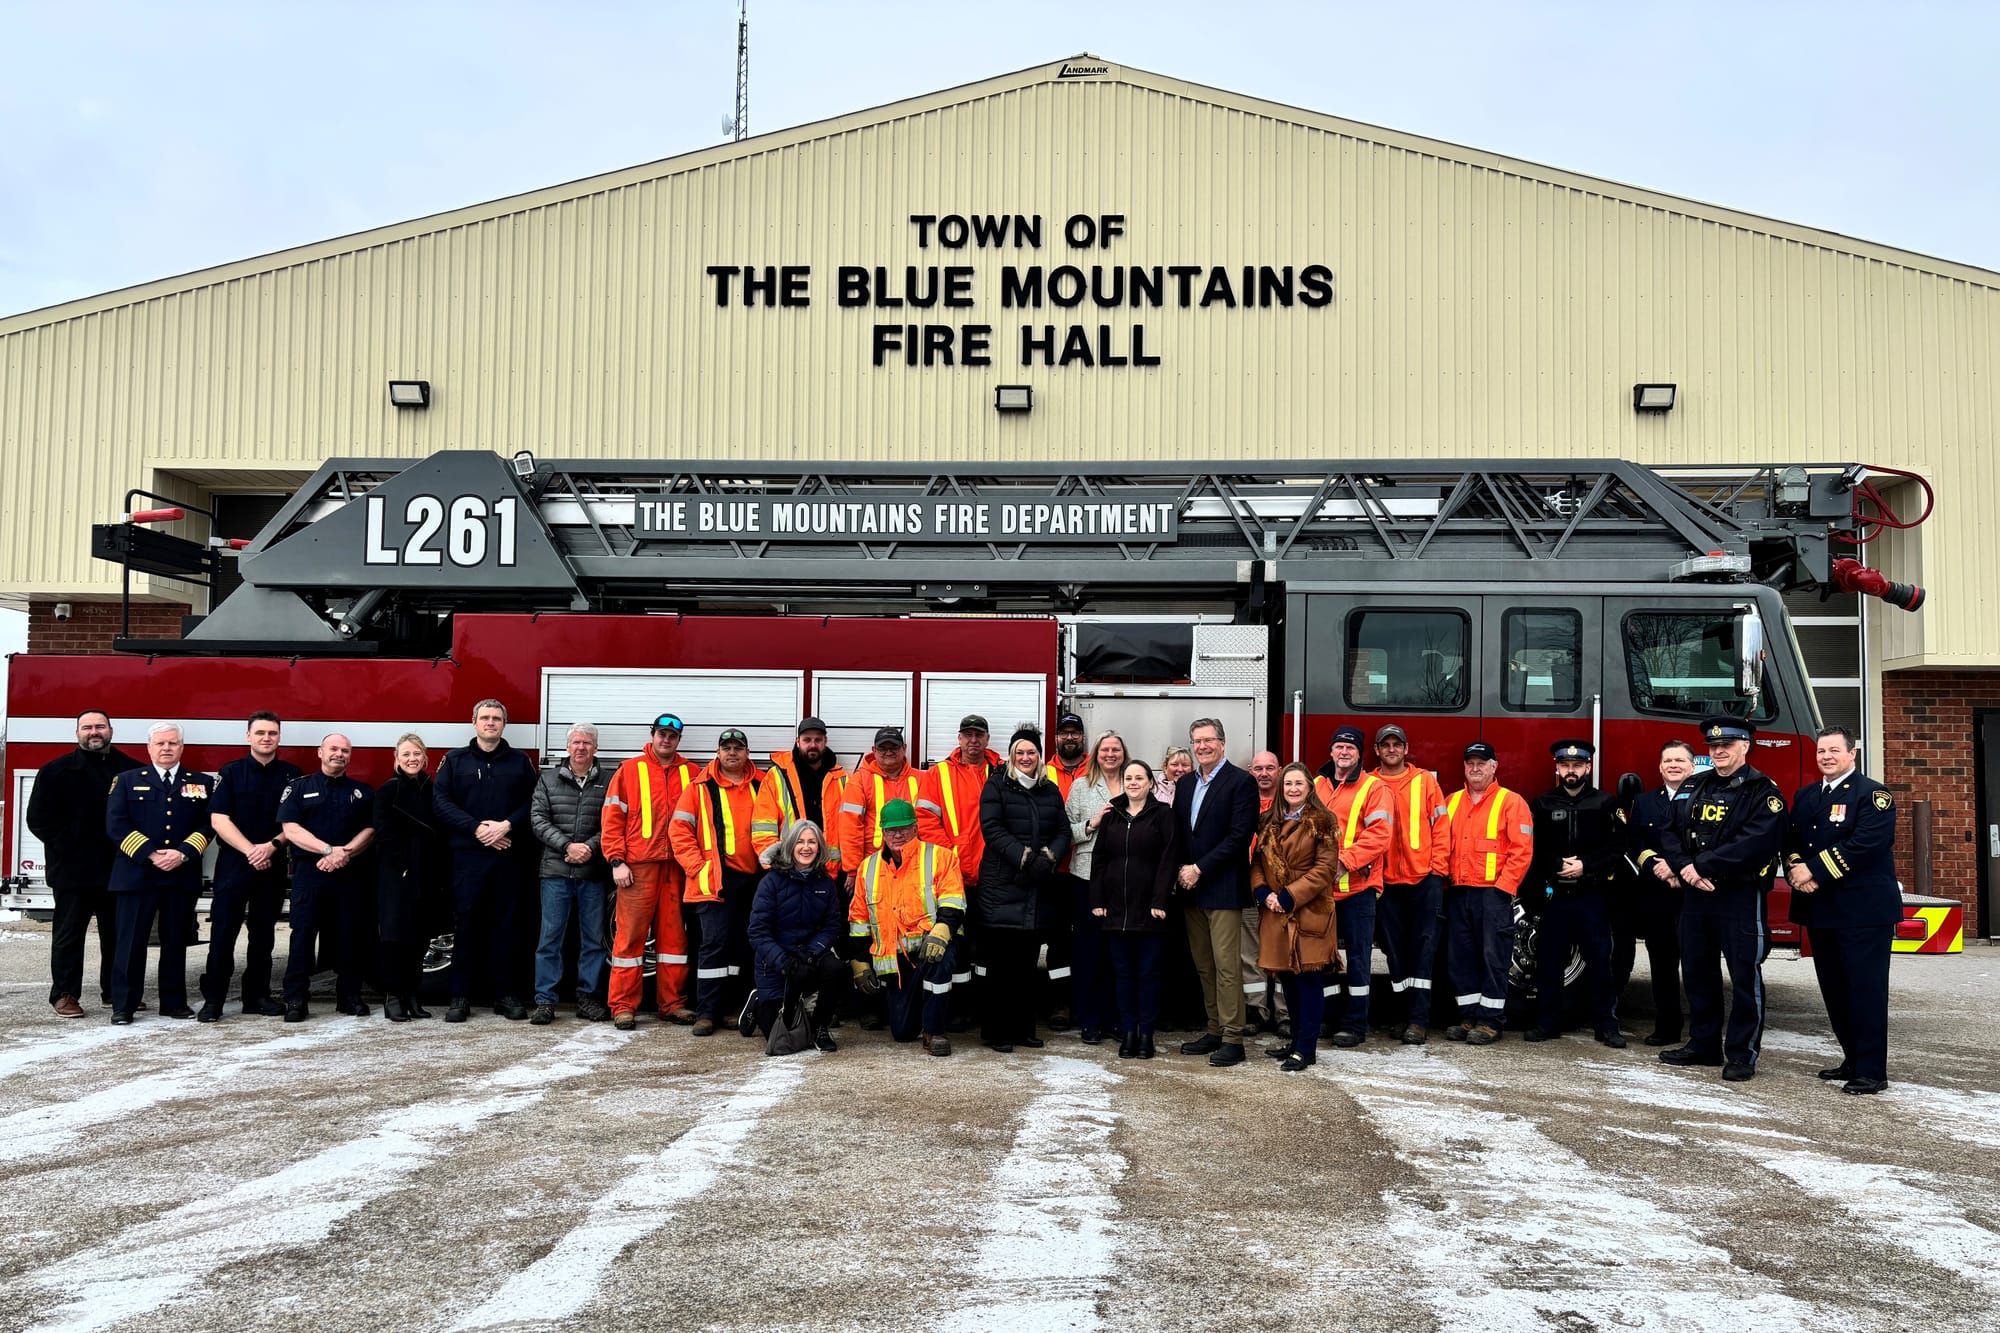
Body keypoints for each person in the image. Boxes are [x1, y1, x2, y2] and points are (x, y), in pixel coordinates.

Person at [1657, 716, 1788, 1083]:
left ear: (1745, 746)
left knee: (1745, 976)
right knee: (1698, 972)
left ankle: (1742, 1054)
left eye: (1727, 745)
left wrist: (1700, 866)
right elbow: (1669, 831)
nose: (1718, 751)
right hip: (1697, 895)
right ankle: (1704, 1044)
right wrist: (1686, 868)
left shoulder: (1763, 791)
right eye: (1713, 746)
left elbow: (1755, 842)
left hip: (1738, 896)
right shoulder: (1694, 785)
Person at [1785, 726, 1899, 1095]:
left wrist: (1813, 871)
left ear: (1852, 755)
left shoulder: (1873, 795)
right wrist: (1797, 869)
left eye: (1834, 750)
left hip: (1863, 911)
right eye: (1821, 751)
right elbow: (1790, 840)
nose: (1826, 757)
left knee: (1864, 990)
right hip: (1822, 909)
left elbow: (1867, 844)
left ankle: (1871, 1070)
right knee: (1835, 990)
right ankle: (1851, 1058)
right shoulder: (1806, 796)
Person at [26, 709, 142, 1018]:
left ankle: (116, 992)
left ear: (111, 730)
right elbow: (38, 820)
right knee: (69, 936)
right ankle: (64, 995)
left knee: (117, 935)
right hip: (72, 870)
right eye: (87, 727)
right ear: (77, 733)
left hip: (118, 869)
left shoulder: (131, 771)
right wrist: (70, 849)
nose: (94, 732)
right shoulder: (55, 772)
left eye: (100, 726)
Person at [432, 699, 538, 1023]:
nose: (490, 723)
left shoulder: (520, 762)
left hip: (507, 856)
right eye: (485, 718)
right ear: (474, 722)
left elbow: (533, 803)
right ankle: (460, 997)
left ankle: (505, 995)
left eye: (496, 718)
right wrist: (475, 828)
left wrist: (507, 825)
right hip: (468, 858)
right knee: (467, 926)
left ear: (504, 725)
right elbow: (440, 802)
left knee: (507, 927)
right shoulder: (454, 761)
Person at [103, 722, 213, 1023]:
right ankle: (123, 1005)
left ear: (182, 747)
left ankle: (174, 1002)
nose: (167, 748)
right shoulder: (126, 780)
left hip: (180, 872)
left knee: (176, 941)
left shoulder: (201, 783)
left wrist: (183, 853)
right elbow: (116, 824)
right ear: (149, 747)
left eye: (173, 743)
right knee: (130, 943)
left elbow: (207, 825)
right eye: (161, 743)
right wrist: (150, 853)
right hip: (136, 873)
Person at [197, 711, 302, 1022]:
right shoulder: (230, 773)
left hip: (272, 861)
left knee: (263, 935)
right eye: (260, 733)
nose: (266, 738)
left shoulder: (291, 775)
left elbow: (295, 822)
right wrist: (251, 851)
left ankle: (256, 997)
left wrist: (271, 847)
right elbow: (219, 819)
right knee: (223, 933)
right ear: (248, 737)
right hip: (235, 864)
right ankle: (213, 1000)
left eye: (272, 733)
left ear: (279, 737)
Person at [1523, 740, 1628, 1048]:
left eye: (1577, 765)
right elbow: (1532, 846)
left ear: (1588, 767)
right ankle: (1547, 1022)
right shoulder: (1541, 804)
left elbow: (1618, 846)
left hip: (1591, 894)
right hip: (1555, 896)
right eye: (1565, 765)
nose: (1571, 770)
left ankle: (1607, 1026)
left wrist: (1585, 865)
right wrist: (1556, 865)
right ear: (1557, 768)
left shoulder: (1606, 803)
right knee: (1549, 962)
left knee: (1599, 962)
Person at [976, 726, 1071, 1052]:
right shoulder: (997, 785)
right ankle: (997, 1031)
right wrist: (1025, 858)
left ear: (1039, 756)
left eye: (1031, 752)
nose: (1026, 757)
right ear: (1012, 756)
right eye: (1020, 752)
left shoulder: (1050, 789)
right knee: (1001, 965)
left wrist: (1049, 857)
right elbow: (992, 829)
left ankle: (1023, 1029)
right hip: (1004, 887)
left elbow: (1062, 829)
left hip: (1036, 889)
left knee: (1028, 965)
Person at [1172, 716, 1260, 1067]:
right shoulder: (1185, 786)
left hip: (1221, 887)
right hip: (1191, 889)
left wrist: (1199, 868)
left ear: (1222, 743)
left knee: (1227, 967)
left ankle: (1233, 1038)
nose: (1202, 747)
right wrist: (1182, 870)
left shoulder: (1241, 783)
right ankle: (1214, 1029)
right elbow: (1180, 834)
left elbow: (1240, 838)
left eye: (1209, 740)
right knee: (1204, 966)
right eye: (1197, 741)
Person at [847, 799, 966, 1056]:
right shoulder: (868, 867)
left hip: (931, 945)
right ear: (883, 831)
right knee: (901, 1033)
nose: (898, 835)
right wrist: (859, 961)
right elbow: (858, 918)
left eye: (904, 828)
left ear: (916, 827)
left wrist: (942, 931)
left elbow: (953, 900)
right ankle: (918, 1019)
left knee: (938, 960)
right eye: (891, 830)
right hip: (896, 960)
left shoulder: (940, 857)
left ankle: (934, 1033)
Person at [602, 712, 697, 1030]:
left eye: (672, 736)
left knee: (674, 940)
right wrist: (616, 860)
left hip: (677, 868)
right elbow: (612, 817)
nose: (666, 740)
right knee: (630, 940)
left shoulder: (692, 773)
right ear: (652, 735)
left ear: (678, 740)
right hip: (637, 868)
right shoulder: (630, 770)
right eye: (661, 734)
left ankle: (672, 1004)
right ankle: (623, 1006)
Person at [671, 726, 764, 1035]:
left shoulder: (763, 785)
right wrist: (697, 868)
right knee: (713, 947)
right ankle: (707, 1012)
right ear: (718, 752)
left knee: (744, 947)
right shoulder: (699, 786)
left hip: (754, 880)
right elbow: (679, 830)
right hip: (715, 881)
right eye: (727, 748)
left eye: (738, 748)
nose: (732, 752)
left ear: (747, 753)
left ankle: (735, 1008)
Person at [277, 733, 375, 1021]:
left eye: (345, 750)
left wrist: (344, 854)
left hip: (348, 871)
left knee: (349, 937)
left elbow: (370, 830)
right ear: (320, 752)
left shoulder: (362, 792)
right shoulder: (298, 788)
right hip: (309, 872)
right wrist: (328, 851)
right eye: (333, 749)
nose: (339, 754)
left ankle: (349, 996)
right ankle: (295, 999)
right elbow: (291, 829)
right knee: (302, 937)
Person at [1442, 742, 1534, 1045]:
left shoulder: (1511, 802)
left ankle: (1492, 1021)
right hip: (1458, 891)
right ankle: (1469, 1018)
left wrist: (1503, 889)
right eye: (1470, 763)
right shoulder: (1452, 802)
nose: (1475, 768)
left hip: (1492, 894)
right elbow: (1441, 845)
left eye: (1482, 763)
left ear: (1494, 767)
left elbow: (1522, 851)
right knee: (1461, 958)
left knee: (1494, 958)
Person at [1253, 763, 1345, 1069]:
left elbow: (1325, 868)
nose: (1293, 788)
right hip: (1276, 911)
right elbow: (1257, 863)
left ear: (1309, 787)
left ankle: (1307, 1048)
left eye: (1298, 784)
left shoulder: (1323, 820)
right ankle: (1294, 1040)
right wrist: (1262, 892)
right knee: (1288, 980)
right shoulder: (1269, 820)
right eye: (1288, 784)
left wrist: (1289, 896)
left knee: (1309, 980)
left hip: (1310, 912)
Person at [1367, 723, 1451, 1045]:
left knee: (1423, 950)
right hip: (1385, 882)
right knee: (1394, 952)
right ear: (1377, 750)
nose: (1391, 749)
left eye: (1396, 744)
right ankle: (1401, 1016)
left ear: (1405, 749)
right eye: (1385, 744)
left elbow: (1441, 827)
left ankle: (1418, 1020)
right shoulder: (1369, 784)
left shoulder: (1425, 781)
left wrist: (1436, 871)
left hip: (1423, 880)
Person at [1089, 759, 1179, 1058]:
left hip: (1150, 912)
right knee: (1123, 975)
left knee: (1149, 975)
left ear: (1150, 783)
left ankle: (1146, 1035)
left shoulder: (1163, 815)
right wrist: (1098, 900)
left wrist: (1160, 900)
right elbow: (1099, 859)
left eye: (1140, 778)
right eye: (1129, 778)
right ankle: (1128, 1033)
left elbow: (1169, 859)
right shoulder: (1112, 815)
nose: (1133, 782)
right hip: (1116, 912)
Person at [916, 714, 1002, 1024]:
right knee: (959, 945)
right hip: (953, 877)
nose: (973, 740)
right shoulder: (938, 774)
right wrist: (953, 854)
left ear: (987, 739)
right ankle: (959, 1010)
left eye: (979, 735)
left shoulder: (1002, 771)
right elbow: (925, 820)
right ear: (959, 738)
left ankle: (984, 1008)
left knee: (988, 946)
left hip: (994, 876)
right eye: (968, 735)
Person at [1312, 726, 1394, 1047]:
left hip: (1359, 889)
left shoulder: (1375, 788)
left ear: (1360, 753)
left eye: (1350, 747)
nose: (1344, 752)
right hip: (1322, 891)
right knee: (1325, 958)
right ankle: (1328, 1018)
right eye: (1339, 747)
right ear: (1331, 752)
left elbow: (1380, 834)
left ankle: (1355, 1024)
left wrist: (1344, 861)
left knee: (1359, 959)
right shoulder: (1316, 784)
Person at [529, 723, 614, 1025]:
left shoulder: (610, 781)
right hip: (555, 871)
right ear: (567, 747)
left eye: (587, 743)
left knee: (592, 939)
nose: (581, 747)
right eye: (576, 742)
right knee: (550, 938)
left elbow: (614, 822)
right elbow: (538, 819)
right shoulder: (548, 779)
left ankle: (587, 998)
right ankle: (545, 1001)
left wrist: (588, 848)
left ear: (596, 748)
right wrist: (567, 845)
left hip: (592, 872)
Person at [746, 819, 850, 1051]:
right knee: (782, 1044)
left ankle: (820, 1026)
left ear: (820, 847)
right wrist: (785, 963)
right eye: (800, 842)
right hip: (776, 961)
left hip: (808, 956)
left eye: (812, 842)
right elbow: (758, 932)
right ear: (790, 846)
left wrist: (810, 954)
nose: (806, 847)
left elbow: (832, 926)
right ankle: (758, 1002)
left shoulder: (826, 883)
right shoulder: (771, 882)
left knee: (835, 968)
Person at [1061, 730, 1127, 1043]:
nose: (1111, 754)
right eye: (1105, 750)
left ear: (1123, 754)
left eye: (1116, 749)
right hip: (1086, 877)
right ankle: (1088, 1020)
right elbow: (1066, 832)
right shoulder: (1081, 786)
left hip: (1125, 879)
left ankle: (1113, 1019)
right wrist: (1092, 824)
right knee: (1088, 952)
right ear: (1096, 754)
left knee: (1117, 952)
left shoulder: (1135, 783)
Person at [1627, 741, 1695, 1046]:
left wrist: (1678, 868)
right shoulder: (1643, 802)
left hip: (1694, 894)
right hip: (1657, 894)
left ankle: (1701, 1031)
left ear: (1693, 766)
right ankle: (1667, 1027)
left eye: (1680, 760)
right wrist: (1657, 865)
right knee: (1662, 966)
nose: (1674, 765)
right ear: (1660, 767)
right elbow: (1635, 842)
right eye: (1668, 760)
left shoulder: (1707, 798)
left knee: (1697, 965)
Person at [374, 734, 445, 1021]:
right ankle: (392, 996)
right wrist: (402, 865)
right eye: (406, 754)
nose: (412, 759)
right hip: (397, 875)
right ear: (397, 759)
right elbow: (382, 834)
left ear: (424, 758)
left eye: (417, 754)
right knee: (394, 938)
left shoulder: (432, 790)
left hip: (426, 874)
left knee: (419, 937)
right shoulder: (388, 791)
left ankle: (413, 995)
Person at [751, 717, 848, 874]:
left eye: (818, 740)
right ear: (798, 742)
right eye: (807, 740)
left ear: (825, 742)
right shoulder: (777, 776)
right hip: (789, 870)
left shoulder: (841, 778)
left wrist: (849, 868)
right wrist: (776, 864)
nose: (813, 745)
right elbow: (763, 827)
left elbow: (850, 827)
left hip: (829, 873)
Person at [837, 726, 923, 882]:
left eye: (894, 747)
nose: (888, 752)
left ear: (904, 748)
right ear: (874, 750)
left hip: (917, 863)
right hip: (874, 865)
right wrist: (852, 870)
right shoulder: (860, 780)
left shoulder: (922, 779)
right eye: (883, 748)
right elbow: (850, 827)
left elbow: (930, 823)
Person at [1242, 750, 1284, 1032]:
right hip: (1247, 887)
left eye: (1270, 768)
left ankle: (1284, 1013)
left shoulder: (1289, 803)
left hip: (1280, 891)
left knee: (1282, 951)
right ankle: (1256, 1011)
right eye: (1258, 768)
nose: (1264, 773)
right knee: (1249, 953)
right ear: (1250, 770)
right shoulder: (1242, 802)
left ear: (1279, 771)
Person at [1046, 712, 1091, 798]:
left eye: (1075, 733)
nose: (1069, 737)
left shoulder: (1095, 768)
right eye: (1063, 733)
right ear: (1056, 739)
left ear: (1083, 738)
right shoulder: (1045, 773)